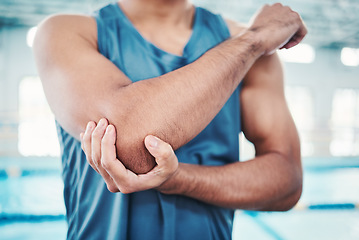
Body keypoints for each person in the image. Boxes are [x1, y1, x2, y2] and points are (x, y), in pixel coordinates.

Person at [33, 0, 306, 239]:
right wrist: (252, 41)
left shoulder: (254, 48)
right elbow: (132, 148)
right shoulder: (64, 33)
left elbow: (287, 180)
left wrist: (181, 179)